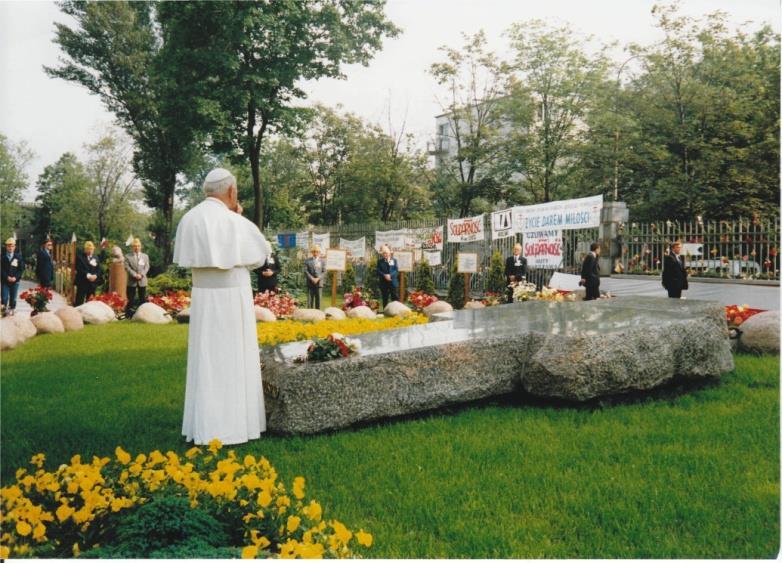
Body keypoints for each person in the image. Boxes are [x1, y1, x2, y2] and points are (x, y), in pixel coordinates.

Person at [173, 167, 270, 446]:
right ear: (231, 192)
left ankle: (205, 424)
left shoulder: (188, 219)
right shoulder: (234, 221)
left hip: (203, 299)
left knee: (208, 359)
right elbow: (261, 253)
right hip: (231, 299)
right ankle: (235, 425)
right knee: (233, 358)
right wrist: (237, 218)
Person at [74, 240, 106, 306]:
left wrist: (96, 275)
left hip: (92, 283)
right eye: (88, 249)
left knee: (90, 301)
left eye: (91, 249)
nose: (90, 251)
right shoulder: (80, 257)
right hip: (82, 282)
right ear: (85, 249)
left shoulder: (96, 257)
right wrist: (88, 275)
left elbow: (99, 269)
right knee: (79, 300)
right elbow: (79, 268)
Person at [124, 238, 150, 316]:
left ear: (141, 247)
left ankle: (143, 315)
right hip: (132, 281)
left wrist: (141, 274)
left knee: (142, 299)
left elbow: (147, 267)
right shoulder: (128, 256)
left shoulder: (145, 256)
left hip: (142, 280)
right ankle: (128, 315)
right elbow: (127, 267)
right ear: (132, 247)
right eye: (135, 246)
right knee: (130, 299)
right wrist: (135, 274)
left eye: (138, 246)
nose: (137, 248)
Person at [1, 238, 24, 314]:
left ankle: (12, 310)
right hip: (5, 281)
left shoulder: (18, 257)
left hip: (15, 281)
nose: (10, 248)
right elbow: (1, 269)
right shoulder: (2, 257)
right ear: (6, 247)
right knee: (4, 297)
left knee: (13, 298)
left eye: (12, 246)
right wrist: (6, 277)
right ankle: (3, 310)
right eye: (9, 246)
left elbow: (21, 269)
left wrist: (15, 277)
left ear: (15, 247)